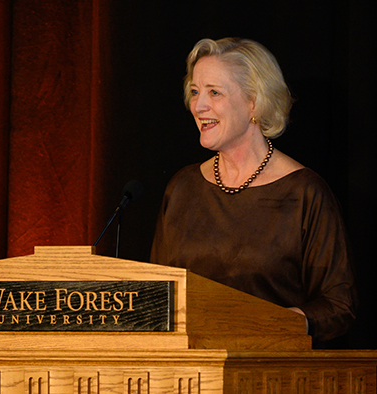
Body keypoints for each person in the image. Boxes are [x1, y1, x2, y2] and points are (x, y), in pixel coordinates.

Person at [150, 37, 357, 343]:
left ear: (254, 103)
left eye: (214, 93)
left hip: (267, 373)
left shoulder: (304, 193)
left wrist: (264, 324)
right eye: (195, 92)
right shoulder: (183, 188)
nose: (198, 105)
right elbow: (157, 296)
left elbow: (338, 307)